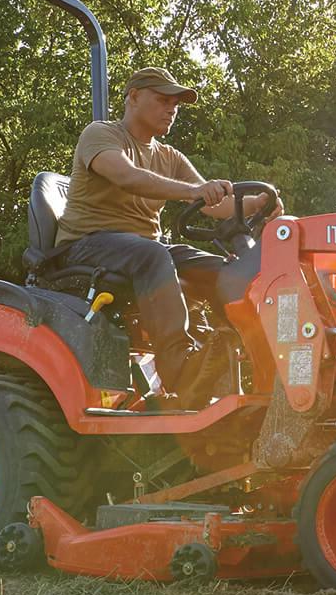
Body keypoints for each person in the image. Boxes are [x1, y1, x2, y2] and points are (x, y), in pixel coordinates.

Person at [52, 66, 280, 400]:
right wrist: (194, 191)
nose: (171, 109)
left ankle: (258, 370)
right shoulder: (101, 135)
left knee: (225, 271)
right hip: (87, 244)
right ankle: (181, 370)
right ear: (133, 97)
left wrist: (260, 203)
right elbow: (128, 176)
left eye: (175, 103)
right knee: (153, 254)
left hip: (143, 248)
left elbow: (215, 204)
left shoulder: (169, 156)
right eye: (162, 100)